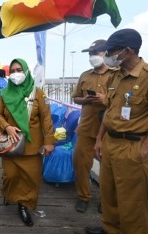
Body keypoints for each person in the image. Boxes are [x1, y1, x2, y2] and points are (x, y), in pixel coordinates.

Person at [86, 29, 148, 234]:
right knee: (109, 194)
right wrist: (99, 139)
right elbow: (110, 110)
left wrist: (144, 149)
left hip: (133, 147)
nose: (109, 56)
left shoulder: (146, 77)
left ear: (128, 51)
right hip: (110, 143)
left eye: (112, 51)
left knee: (132, 201)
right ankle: (110, 229)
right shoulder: (117, 76)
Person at [0, 58, 55, 226]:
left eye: (19, 70)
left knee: (30, 178)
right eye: (12, 71)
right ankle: (8, 194)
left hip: (32, 146)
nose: (15, 74)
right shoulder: (4, 94)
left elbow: (47, 119)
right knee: (10, 176)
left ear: (26, 71)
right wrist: (7, 127)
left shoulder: (38, 94)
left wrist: (49, 141)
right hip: (10, 144)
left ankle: (23, 205)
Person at [71, 39, 114, 214]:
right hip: (87, 128)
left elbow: (122, 102)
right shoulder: (85, 75)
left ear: (106, 53)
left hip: (109, 131)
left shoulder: (116, 75)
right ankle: (83, 196)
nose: (92, 57)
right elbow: (75, 98)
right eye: (90, 54)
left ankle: (106, 201)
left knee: (108, 168)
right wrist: (85, 99)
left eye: (95, 53)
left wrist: (105, 99)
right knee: (80, 163)